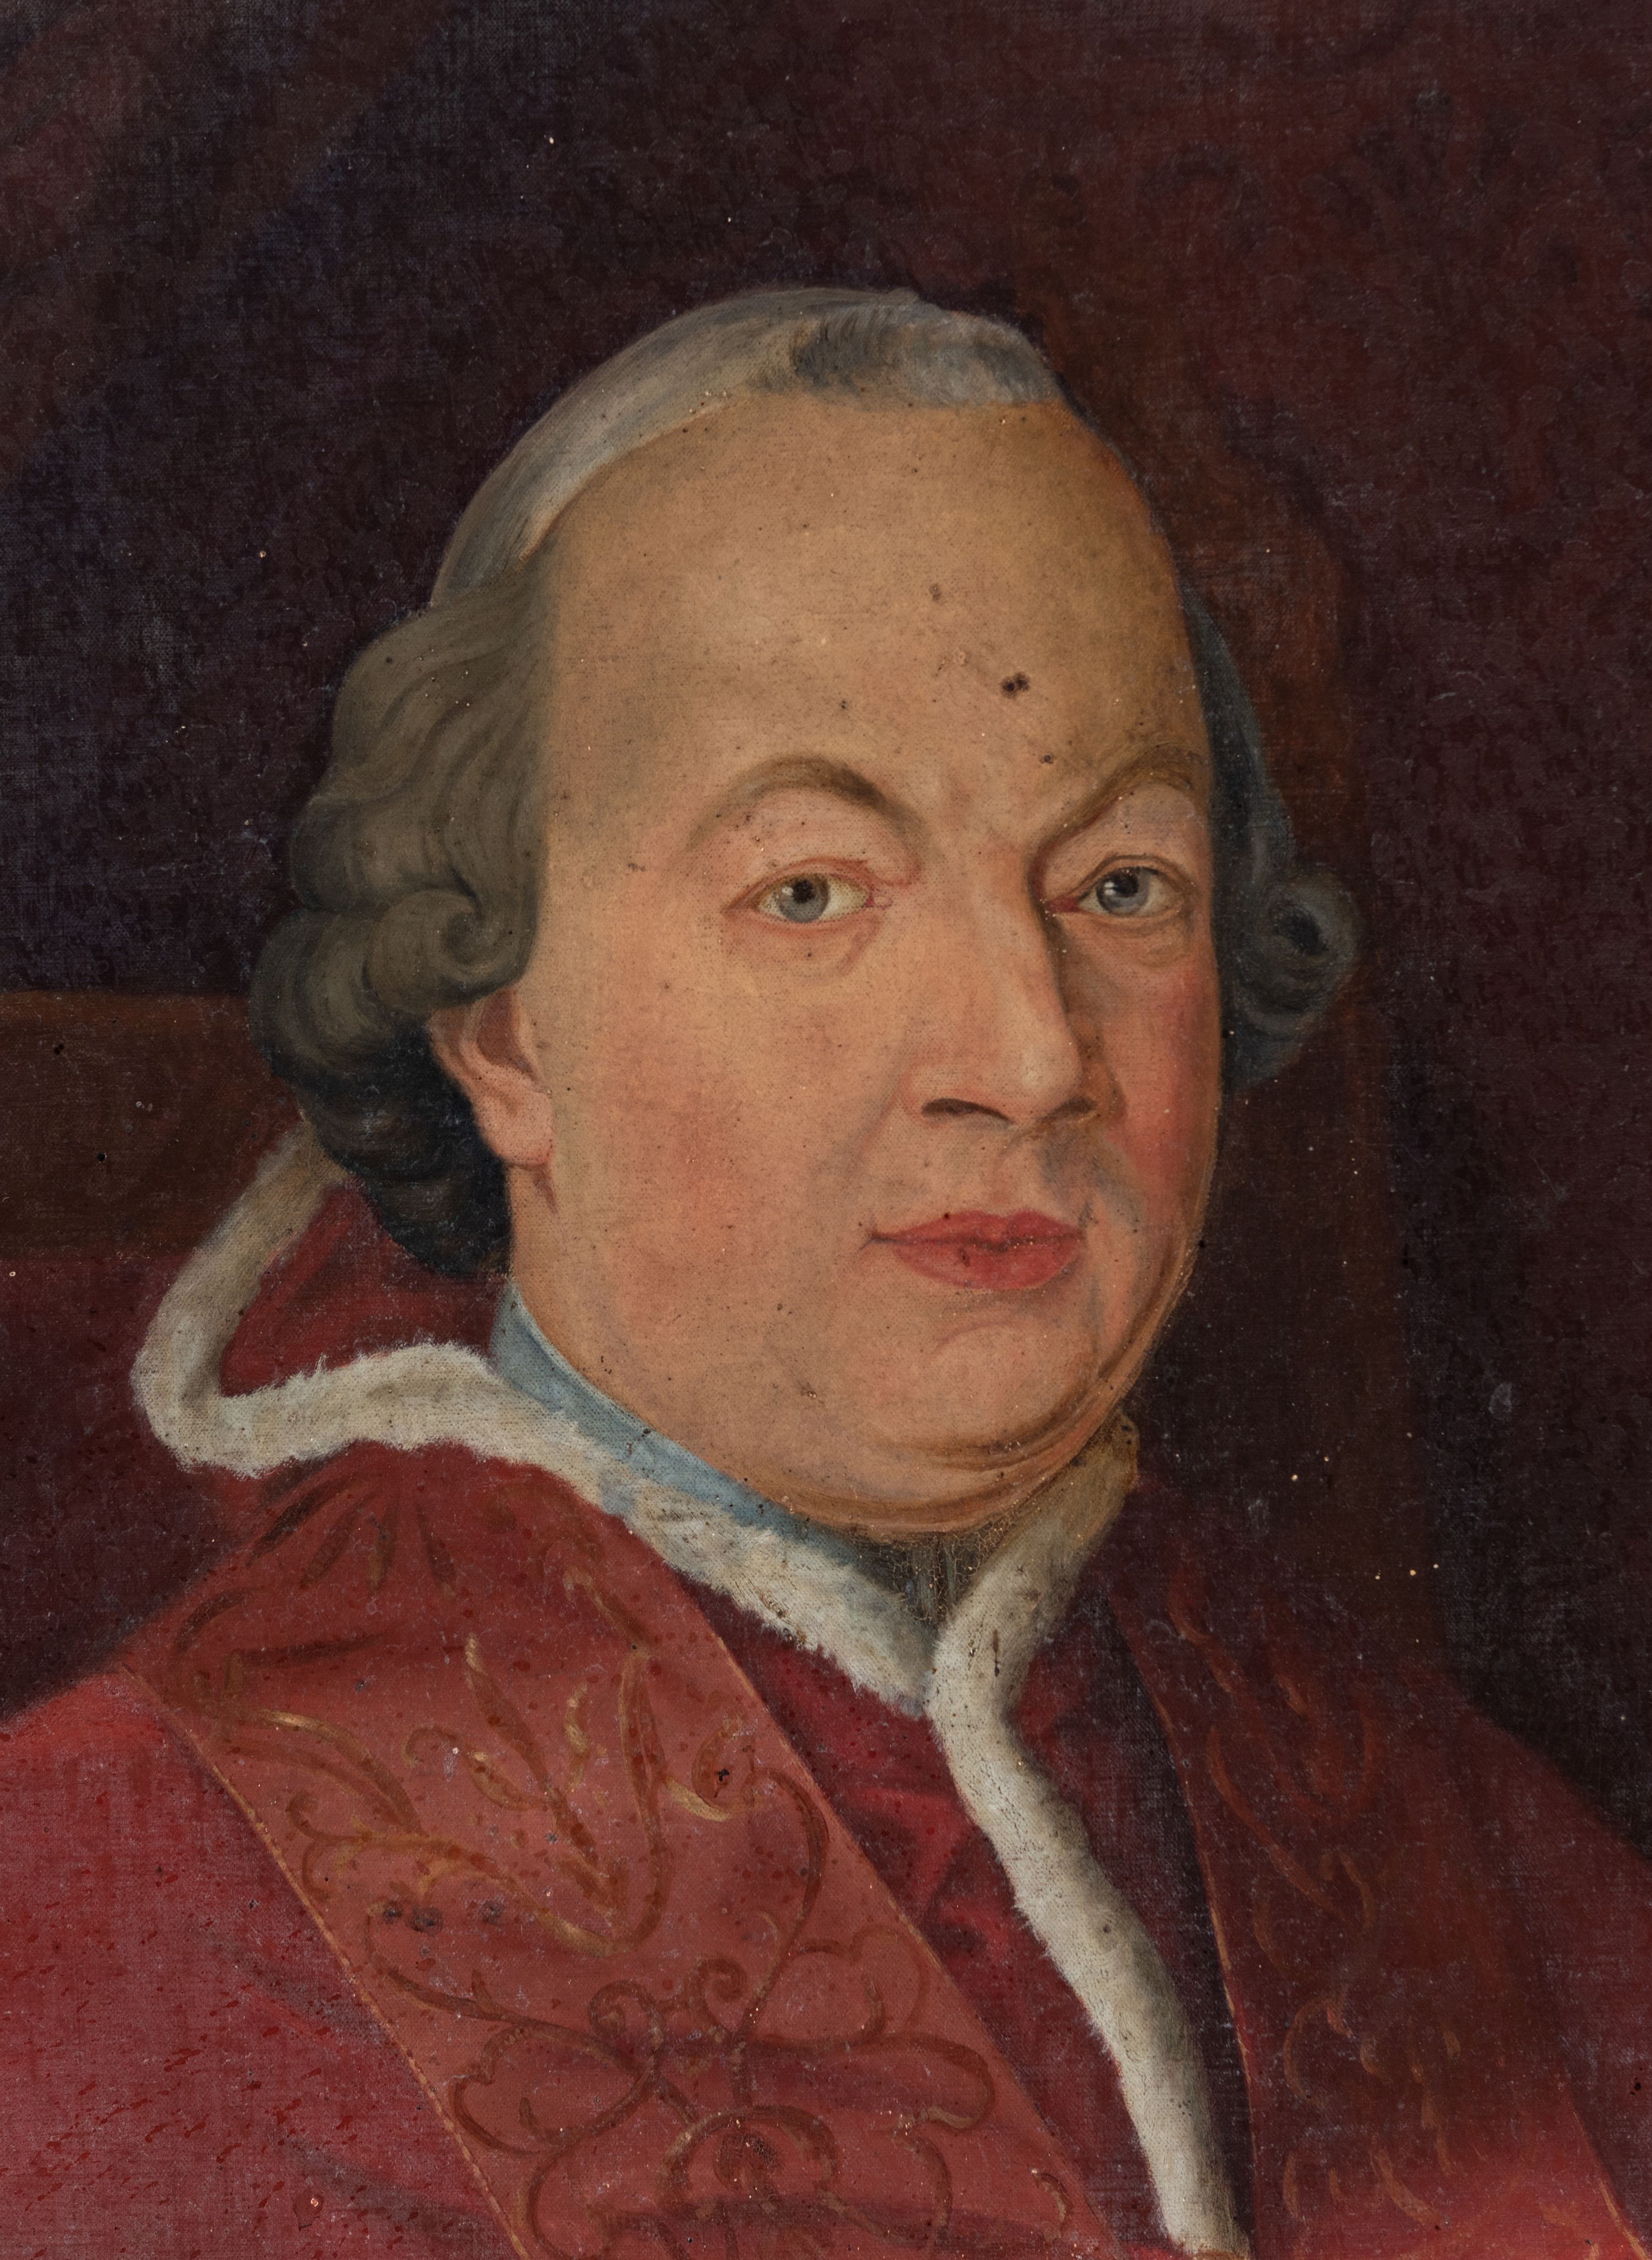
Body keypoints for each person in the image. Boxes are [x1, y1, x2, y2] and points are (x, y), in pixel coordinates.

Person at [3, 289, 1648, 2260]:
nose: (1030, 1055)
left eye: (1122, 886)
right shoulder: (130, 1892)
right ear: (501, 1026)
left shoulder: (1414, 1802)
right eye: (812, 892)